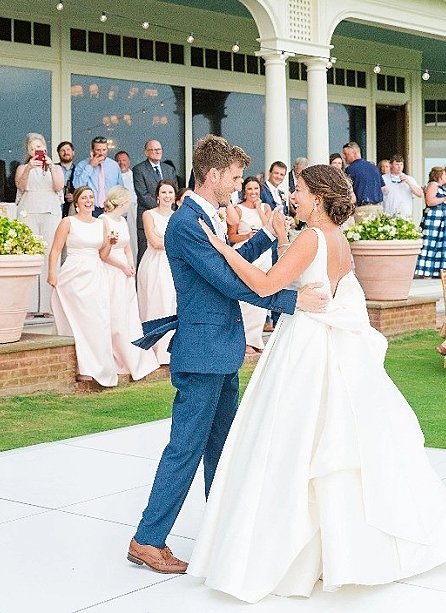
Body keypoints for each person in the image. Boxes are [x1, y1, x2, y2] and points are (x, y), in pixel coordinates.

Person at [189, 164, 446, 602]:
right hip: (325, 341)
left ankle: (284, 552)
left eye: (299, 191)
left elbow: (265, 285)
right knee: (324, 441)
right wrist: (280, 236)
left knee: (292, 441)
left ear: (318, 198)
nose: (293, 197)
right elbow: (303, 276)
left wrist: (224, 249)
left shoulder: (312, 237)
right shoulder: (336, 238)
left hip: (305, 346)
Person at [127, 134, 326, 575]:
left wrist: (267, 237)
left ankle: (225, 533)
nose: (239, 185)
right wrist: (292, 302)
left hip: (219, 349)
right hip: (202, 353)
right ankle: (147, 539)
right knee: (186, 449)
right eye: (235, 178)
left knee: (223, 448)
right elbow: (229, 282)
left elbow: (227, 261)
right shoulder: (185, 223)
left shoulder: (204, 217)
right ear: (213, 175)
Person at [48, 186, 119, 387]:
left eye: (91, 197)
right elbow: (55, 250)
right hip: (74, 275)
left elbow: (103, 255)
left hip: (95, 274)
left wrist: (110, 243)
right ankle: (82, 367)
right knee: (79, 321)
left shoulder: (101, 223)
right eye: (84, 198)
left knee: (98, 319)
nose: (88, 201)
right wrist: (52, 273)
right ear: (77, 202)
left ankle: (98, 367)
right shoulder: (68, 222)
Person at [100, 187, 159, 380]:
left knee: (128, 312)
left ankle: (133, 352)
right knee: (115, 312)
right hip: (111, 269)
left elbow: (127, 247)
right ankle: (116, 355)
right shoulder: (104, 220)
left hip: (125, 270)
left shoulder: (123, 221)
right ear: (122, 201)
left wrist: (130, 264)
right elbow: (103, 253)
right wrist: (122, 266)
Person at [15, 133, 64, 316]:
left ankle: (48, 305)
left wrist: (51, 167)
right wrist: (29, 168)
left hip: (50, 212)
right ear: (29, 151)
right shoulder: (22, 167)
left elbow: (58, 186)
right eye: (33, 148)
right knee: (29, 256)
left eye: (40, 147)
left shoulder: (55, 167)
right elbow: (21, 186)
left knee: (50, 254)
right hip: (29, 212)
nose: (37, 150)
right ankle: (28, 305)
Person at [226, 176, 273, 354]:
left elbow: (269, 227)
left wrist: (259, 208)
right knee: (245, 296)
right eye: (250, 189)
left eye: (256, 189)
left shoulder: (266, 207)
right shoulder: (238, 210)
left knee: (262, 293)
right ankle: (243, 339)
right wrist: (247, 236)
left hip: (264, 255)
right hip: (245, 252)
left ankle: (255, 338)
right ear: (244, 191)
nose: (253, 192)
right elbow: (231, 236)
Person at [136, 180, 177, 365]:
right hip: (154, 264)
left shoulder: (177, 216)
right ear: (157, 196)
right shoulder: (149, 214)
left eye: (170, 192)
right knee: (154, 303)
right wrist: (176, 243)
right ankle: (152, 348)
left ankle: (168, 350)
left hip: (173, 264)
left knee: (171, 303)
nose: (167, 196)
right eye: (164, 192)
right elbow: (154, 241)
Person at [133, 140, 178, 265]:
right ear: (146, 152)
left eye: (158, 149)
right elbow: (142, 194)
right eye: (152, 150)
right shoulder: (139, 169)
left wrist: (168, 210)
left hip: (168, 216)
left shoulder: (169, 169)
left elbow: (174, 191)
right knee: (145, 255)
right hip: (149, 217)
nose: (156, 152)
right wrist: (160, 210)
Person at [414, 166, 446, 279]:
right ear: (439, 175)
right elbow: (430, 201)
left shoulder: (442, 188)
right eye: (444, 174)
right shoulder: (433, 185)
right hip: (434, 217)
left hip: (443, 217)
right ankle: (426, 271)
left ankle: (440, 270)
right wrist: (445, 198)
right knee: (430, 243)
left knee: (442, 244)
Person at [73, 136, 123, 217]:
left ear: (107, 150)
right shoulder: (82, 165)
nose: (101, 153)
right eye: (98, 150)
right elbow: (77, 186)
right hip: (90, 208)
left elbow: (120, 188)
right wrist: (90, 166)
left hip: (110, 208)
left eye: (104, 150)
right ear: (92, 151)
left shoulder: (114, 165)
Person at [343, 141, 383, 220]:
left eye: (346, 154)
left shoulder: (350, 169)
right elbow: (383, 188)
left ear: (354, 153)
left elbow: (348, 190)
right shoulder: (373, 167)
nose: (344, 157)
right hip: (378, 208)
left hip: (362, 209)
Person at [114, 150, 138, 263]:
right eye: (118, 160)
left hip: (132, 211)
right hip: (117, 212)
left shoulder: (134, 175)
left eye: (124, 160)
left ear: (129, 162)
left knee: (132, 239)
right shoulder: (113, 176)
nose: (121, 163)